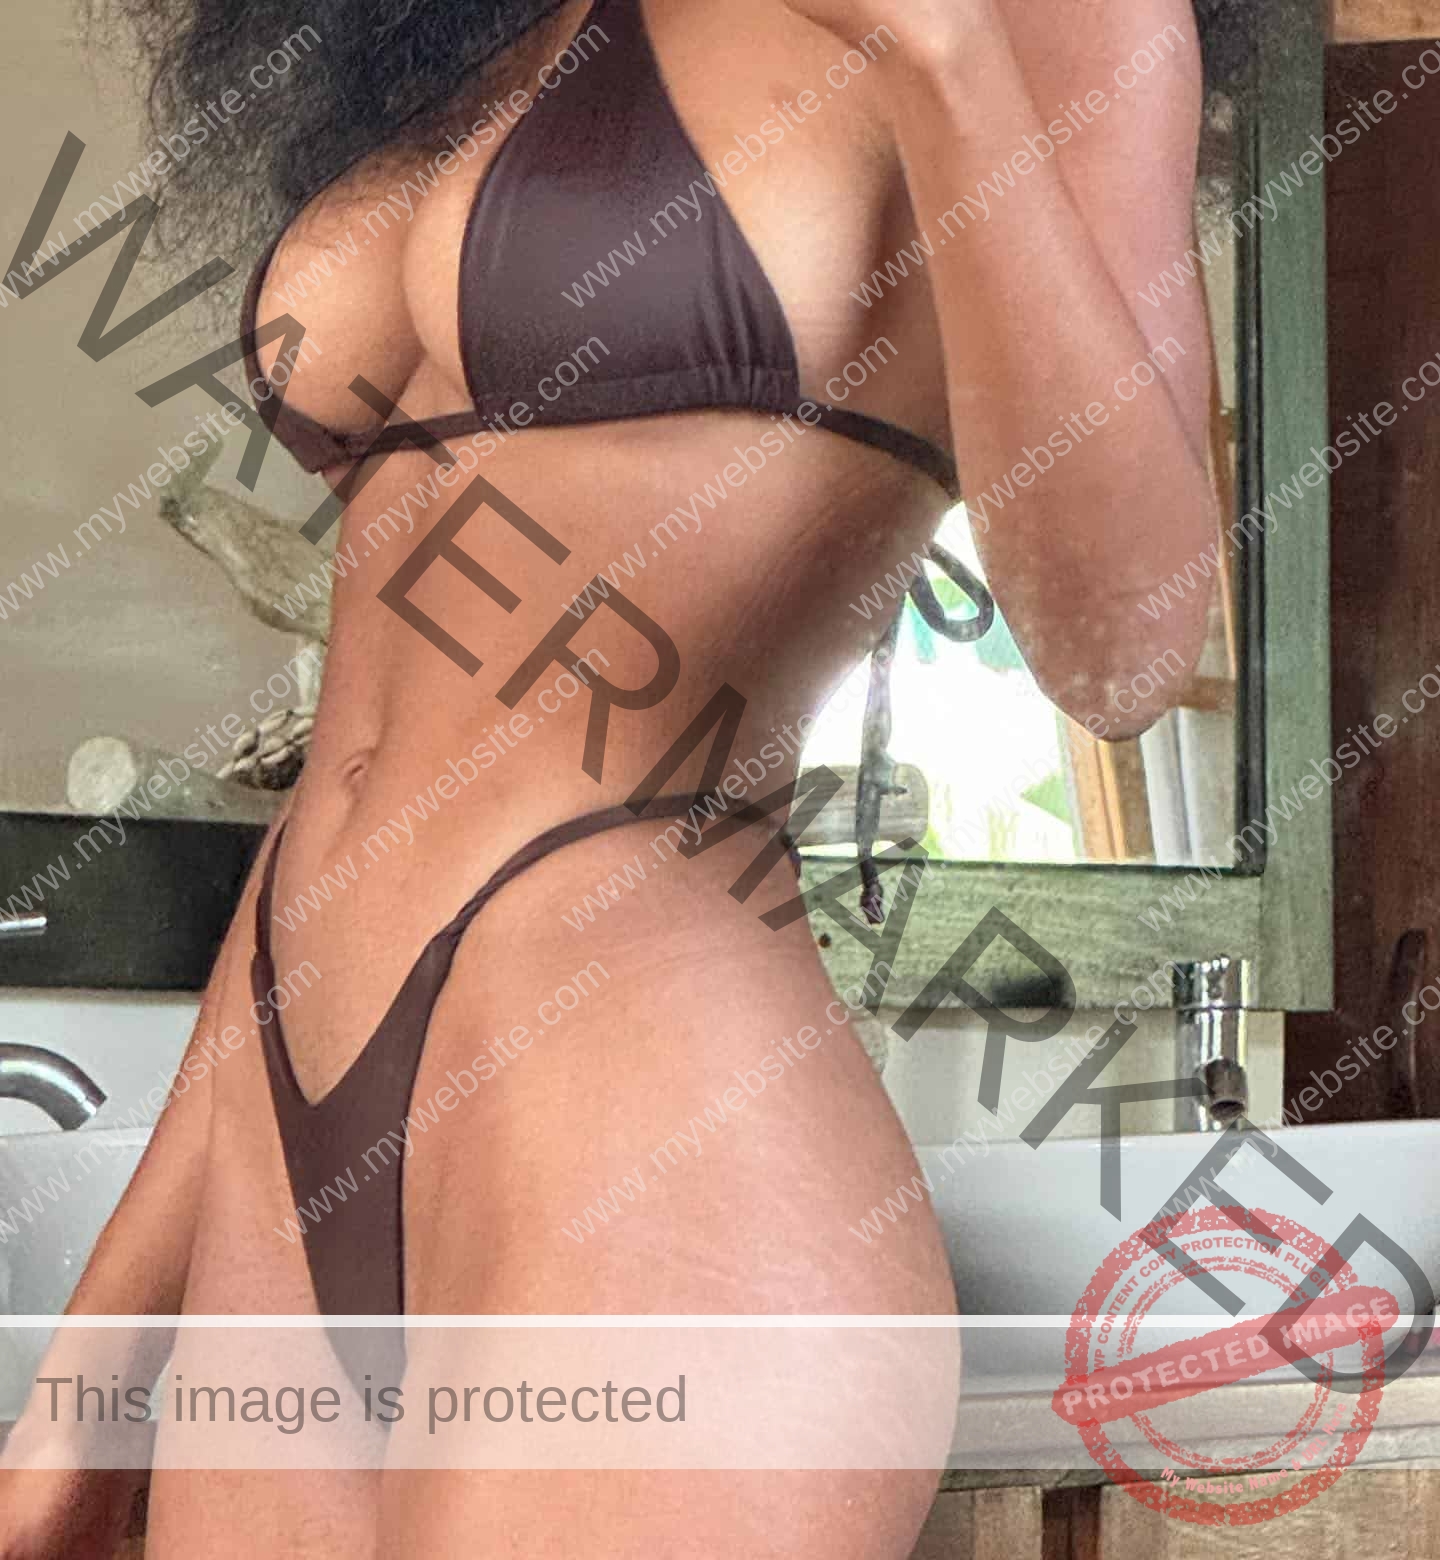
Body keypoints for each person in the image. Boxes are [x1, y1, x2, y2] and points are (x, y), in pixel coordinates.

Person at [0, 0, 1220, 1552]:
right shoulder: (470, 28)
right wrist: (101, 1351)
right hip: (281, 1122)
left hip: (640, 1110)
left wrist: (945, 52)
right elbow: (369, 782)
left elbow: (1128, 649)